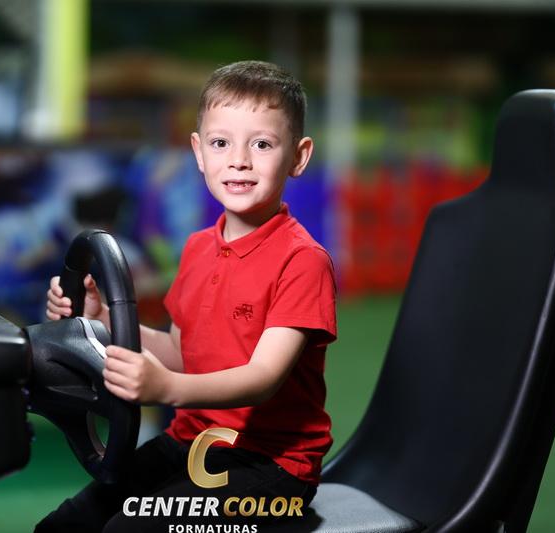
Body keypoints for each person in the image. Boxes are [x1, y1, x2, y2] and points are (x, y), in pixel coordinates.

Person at [37, 60, 337, 533]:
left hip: (271, 469)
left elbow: (262, 378)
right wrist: (103, 319)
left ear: (298, 157)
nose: (239, 160)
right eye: (221, 143)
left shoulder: (302, 261)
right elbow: (182, 353)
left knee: (127, 531)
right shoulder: (198, 248)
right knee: (69, 525)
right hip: (191, 441)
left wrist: (168, 389)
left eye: (262, 144)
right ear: (198, 152)